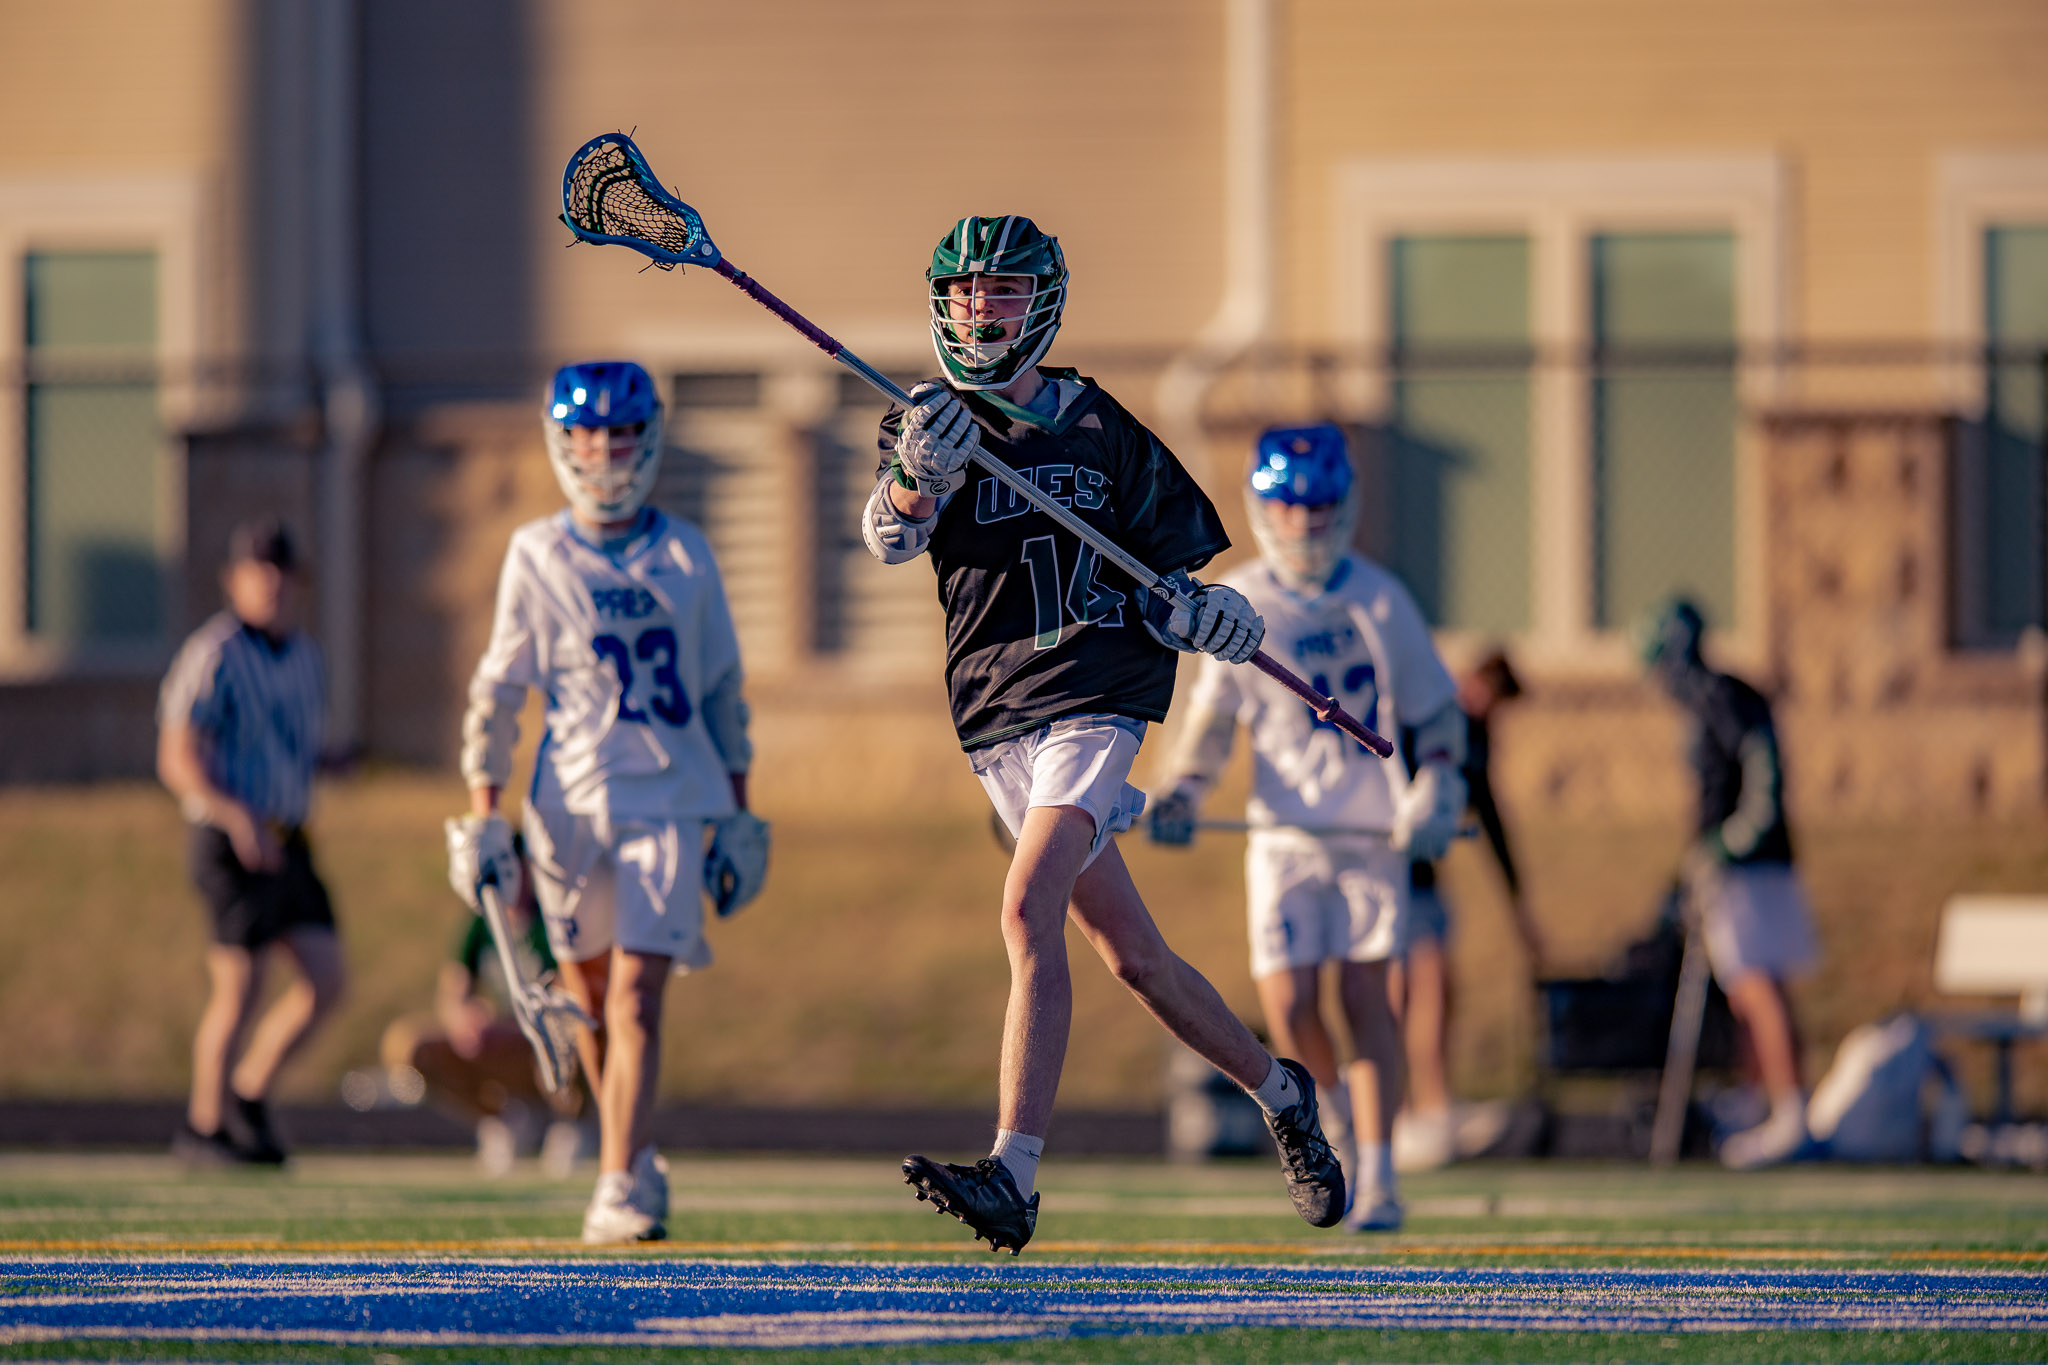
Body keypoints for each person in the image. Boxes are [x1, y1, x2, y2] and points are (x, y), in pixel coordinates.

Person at [862, 216, 1345, 1255]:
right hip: (996, 719)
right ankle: (1281, 1094)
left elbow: (1169, 585)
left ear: (1037, 302)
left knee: (1025, 902)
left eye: (995, 293)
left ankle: (1015, 1175)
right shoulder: (930, 420)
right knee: (1136, 962)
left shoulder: (1100, 427)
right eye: (960, 294)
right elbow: (890, 534)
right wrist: (917, 473)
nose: (974, 311)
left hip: (1095, 697)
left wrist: (1209, 615)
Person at [447, 360, 770, 1242]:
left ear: (650, 437)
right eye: (588, 434)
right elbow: (499, 690)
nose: (605, 450)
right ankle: (630, 1152)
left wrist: (738, 812)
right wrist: (484, 805)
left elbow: (721, 695)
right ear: (560, 440)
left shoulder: (686, 553)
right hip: (566, 808)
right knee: (589, 1003)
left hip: (668, 798)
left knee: (634, 1002)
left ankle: (617, 1179)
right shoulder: (537, 552)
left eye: (621, 432)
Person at [1146, 422, 1469, 1233]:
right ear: (1263, 509)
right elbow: (1210, 727)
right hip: (1283, 840)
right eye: (1289, 507)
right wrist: (1182, 791)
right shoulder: (1239, 601)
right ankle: (1338, 1129)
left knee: (1367, 997)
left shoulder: (1380, 598)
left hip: (1369, 835)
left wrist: (1438, 781)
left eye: (1320, 507)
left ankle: (1383, 1168)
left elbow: (1436, 713)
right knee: (1288, 1005)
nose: (1305, 524)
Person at [158, 517, 347, 1167]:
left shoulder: (304, 656)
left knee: (326, 977)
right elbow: (180, 755)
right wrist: (235, 817)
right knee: (240, 982)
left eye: (280, 572)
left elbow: (291, 747)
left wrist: (336, 760)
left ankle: (248, 1091)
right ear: (234, 580)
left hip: (289, 838)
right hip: (230, 836)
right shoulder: (215, 653)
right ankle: (204, 1123)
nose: (270, 584)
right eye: (257, 571)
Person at [1639, 597, 1819, 1169]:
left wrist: (1729, 841)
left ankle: (1789, 1108)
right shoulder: (1714, 697)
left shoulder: (1721, 697)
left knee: (1755, 984)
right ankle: (1761, 1097)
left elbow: (1761, 770)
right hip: (1740, 861)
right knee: (1749, 990)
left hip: (1746, 864)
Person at [1390, 648, 1545, 1172]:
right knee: (1403, 994)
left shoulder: (1472, 738)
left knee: (1438, 991)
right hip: (1386, 879)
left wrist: (1518, 903)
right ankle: (1399, 1115)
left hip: (1426, 882)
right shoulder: (1419, 715)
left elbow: (1491, 817)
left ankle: (1432, 1110)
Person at [380, 834, 593, 1176]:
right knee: (410, 1046)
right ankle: (505, 1121)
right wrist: (466, 1019)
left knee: (565, 1039)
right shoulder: (482, 924)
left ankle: (571, 1120)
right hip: (497, 1043)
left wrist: (508, 1028)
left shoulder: (552, 921)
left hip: (535, 1045)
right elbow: (453, 993)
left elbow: (571, 1002)